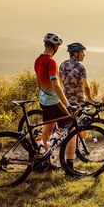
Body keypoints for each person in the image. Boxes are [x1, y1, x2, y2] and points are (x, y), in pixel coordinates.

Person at [34, 33, 76, 170]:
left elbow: (39, 83)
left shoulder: (38, 60)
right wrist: (68, 105)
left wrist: (44, 94)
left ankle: (47, 161)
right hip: (52, 101)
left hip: (43, 99)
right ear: (56, 46)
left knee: (47, 129)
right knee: (71, 127)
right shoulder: (51, 62)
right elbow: (56, 85)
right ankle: (69, 165)